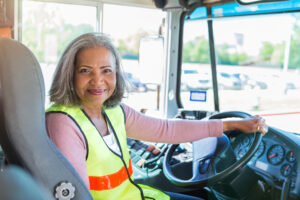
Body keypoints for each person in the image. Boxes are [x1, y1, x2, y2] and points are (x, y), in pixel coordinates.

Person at [46, 33, 268, 200]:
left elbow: (166, 130)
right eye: (85, 70)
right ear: (70, 74)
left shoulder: (114, 111)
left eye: (106, 70)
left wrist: (229, 124)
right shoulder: (63, 122)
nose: (98, 80)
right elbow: (76, 194)